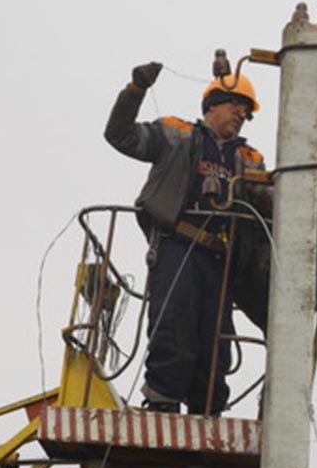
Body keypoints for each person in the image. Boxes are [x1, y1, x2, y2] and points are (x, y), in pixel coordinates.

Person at [103, 61, 268, 417]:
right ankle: (162, 403)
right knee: (173, 325)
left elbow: (274, 204)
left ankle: (206, 411)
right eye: (236, 105)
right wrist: (136, 89)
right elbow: (120, 134)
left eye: (246, 111)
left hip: (221, 259)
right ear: (213, 105)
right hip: (178, 246)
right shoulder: (176, 135)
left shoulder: (249, 160)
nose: (242, 114)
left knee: (216, 342)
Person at [231, 133, 317, 335]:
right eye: (310, 165)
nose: (314, 173)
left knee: (289, 349)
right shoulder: (270, 194)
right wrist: (311, 209)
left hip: (298, 292)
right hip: (254, 283)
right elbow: (266, 199)